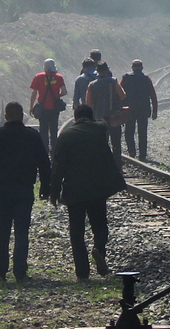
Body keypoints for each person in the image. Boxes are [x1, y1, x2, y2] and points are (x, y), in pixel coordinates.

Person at [50, 104, 126, 282]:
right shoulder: (99, 129)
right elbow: (103, 121)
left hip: (74, 190)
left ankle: (82, 273)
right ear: (91, 118)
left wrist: (54, 191)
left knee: (76, 232)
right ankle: (99, 248)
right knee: (100, 225)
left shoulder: (65, 136)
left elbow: (57, 167)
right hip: (97, 189)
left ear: (75, 118)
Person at [0, 101, 52, 283]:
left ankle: (1, 271)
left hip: (3, 189)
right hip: (24, 190)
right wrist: (45, 188)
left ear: (6, 117)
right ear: (22, 117)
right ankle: (20, 272)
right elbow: (44, 163)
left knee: (2, 231)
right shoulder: (32, 135)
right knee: (21, 232)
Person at [86, 61, 127, 164]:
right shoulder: (113, 81)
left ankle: (102, 165)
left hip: (99, 118)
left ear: (97, 71)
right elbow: (122, 96)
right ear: (107, 70)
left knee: (101, 143)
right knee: (116, 143)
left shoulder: (91, 85)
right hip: (114, 117)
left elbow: (89, 102)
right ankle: (117, 165)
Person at [120, 59, 158, 160]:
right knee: (142, 132)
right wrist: (155, 111)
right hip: (143, 109)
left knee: (129, 132)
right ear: (142, 68)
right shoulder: (146, 79)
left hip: (129, 109)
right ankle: (142, 155)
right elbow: (153, 95)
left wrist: (119, 109)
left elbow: (119, 93)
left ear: (132, 67)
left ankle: (131, 152)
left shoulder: (126, 77)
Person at [29, 58, 66, 154]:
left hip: (42, 108)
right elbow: (64, 91)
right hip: (54, 108)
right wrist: (57, 96)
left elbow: (34, 93)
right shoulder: (59, 77)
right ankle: (54, 150)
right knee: (54, 129)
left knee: (43, 130)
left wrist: (31, 107)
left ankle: (44, 150)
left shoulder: (38, 77)